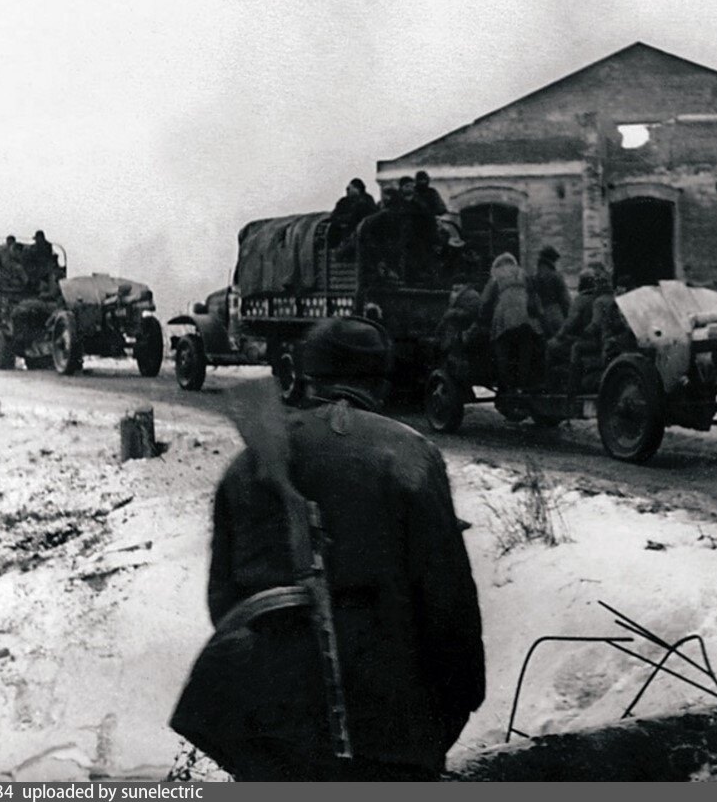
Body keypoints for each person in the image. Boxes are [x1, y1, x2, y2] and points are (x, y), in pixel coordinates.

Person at [171, 317, 485, 780]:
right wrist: (440, 721)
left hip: (270, 731)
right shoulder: (411, 456)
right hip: (388, 728)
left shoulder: (250, 462)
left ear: (303, 376)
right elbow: (449, 609)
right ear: (381, 382)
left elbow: (225, 604)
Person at [478, 253, 543, 394]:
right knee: (525, 352)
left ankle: (507, 388)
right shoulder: (523, 274)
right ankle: (523, 385)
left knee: (502, 353)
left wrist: (482, 318)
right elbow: (535, 297)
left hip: (504, 319)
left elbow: (485, 301)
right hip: (526, 320)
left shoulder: (496, 275)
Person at [528, 246, 571, 338]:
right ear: (552, 260)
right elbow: (565, 300)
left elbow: (531, 301)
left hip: (540, 316)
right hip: (555, 313)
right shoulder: (556, 276)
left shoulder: (534, 277)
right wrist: (568, 318)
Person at [329, 179, 378, 246]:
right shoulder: (343, 202)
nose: (347, 190)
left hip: (361, 234)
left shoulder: (366, 201)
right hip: (346, 234)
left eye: (349, 188)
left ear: (357, 188)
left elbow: (361, 216)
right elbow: (333, 216)